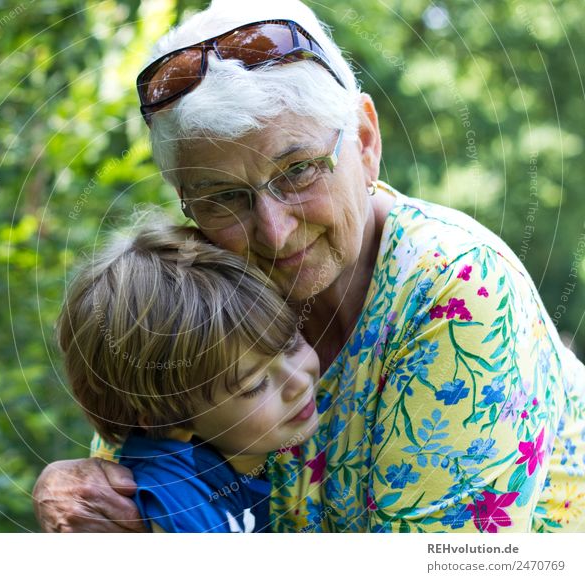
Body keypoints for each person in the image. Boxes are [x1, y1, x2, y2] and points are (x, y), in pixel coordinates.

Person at [35, 0, 585, 533]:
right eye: (222, 196)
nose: (274, 230)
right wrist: (92, 489)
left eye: (298, 170)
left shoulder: (459, 287)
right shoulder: (198, 288)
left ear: (366, 143)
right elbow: (142, 461)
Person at [56, 219, 320, 532]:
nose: (300, 382)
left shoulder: (232, 462)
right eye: (254, 384)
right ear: (165, 420)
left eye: (291, 343)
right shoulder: (176, 504)